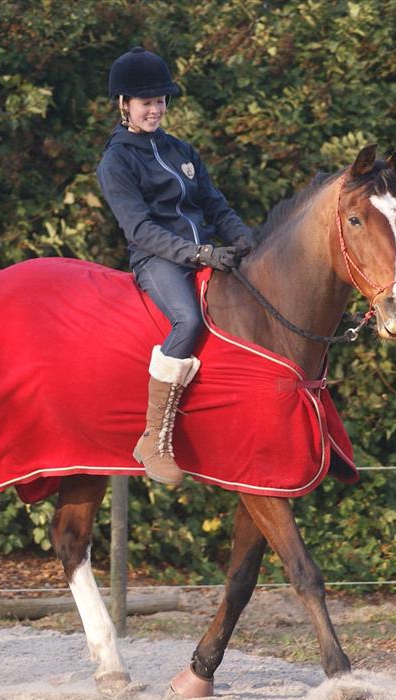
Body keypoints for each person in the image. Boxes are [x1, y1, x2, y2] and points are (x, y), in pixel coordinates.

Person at [96, 46, 257, 486]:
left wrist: (245, 239)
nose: (155, 109)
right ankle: (154, 439)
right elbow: (140, 229)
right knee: (188, 320)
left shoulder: (181, 150)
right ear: (124, 104)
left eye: (160, 101)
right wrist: (200, 254)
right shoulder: (117, 161)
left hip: (203, 250)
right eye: (146, 102)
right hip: (158, 259)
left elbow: (215, 205)